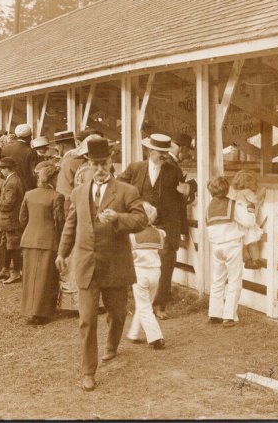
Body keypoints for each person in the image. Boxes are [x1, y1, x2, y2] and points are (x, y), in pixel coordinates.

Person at [55, 137, 147, 391]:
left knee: (117, 314)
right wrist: (62, 252)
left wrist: (118, 217)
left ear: (111, 163)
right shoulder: (78, 192)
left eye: (103, 163)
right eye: (95, 164)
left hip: (115, 264)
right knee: (87, 319)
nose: (99, 169)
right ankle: (88, 371)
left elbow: (141, 220)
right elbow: (71, 225)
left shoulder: (126, 191)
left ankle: (112, 345)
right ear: (88, 163)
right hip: (86, 264)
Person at [118, 133, 190, 320]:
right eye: (160, 153)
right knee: (138, 263)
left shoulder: (173, 171)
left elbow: (183, 198)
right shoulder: (135, 169)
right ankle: (140, 304)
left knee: (165, 264)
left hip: (167, 223)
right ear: (150, 151)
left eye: (166, 152)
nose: (164, 156)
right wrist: (136, 203)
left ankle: (159, 305)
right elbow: (119, 187)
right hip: (141, 221)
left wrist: (186, 192)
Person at [205, 176, 256, 327]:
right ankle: (229, 316)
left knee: (218, 280)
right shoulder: (232, 205)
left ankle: (214, 313)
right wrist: (251, 210)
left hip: (216, 246)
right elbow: (248, 222)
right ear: (227, 190)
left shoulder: (210, 207)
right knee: (234, 279)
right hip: (232, 245)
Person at [19, 162, 64, 324]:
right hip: (48, 240)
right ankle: (41, 312)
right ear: (51, 178)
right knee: (45, 277)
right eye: (57, 177)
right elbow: (59, 222)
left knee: (30, 276)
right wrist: (62, 240)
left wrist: (30, 230)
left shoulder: (29, 194)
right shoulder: (57, 196)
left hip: (29, 239)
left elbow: (22, 218)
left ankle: (29, 310)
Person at [126, 202, 167, 349]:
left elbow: (129, 256)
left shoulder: (131, 236)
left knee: (144, 307)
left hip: (139, 273)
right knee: (145, 304)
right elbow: (161, 252)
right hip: (155, 273)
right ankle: (134, 333)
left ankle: (156, 337)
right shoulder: (160, 234)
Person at [0, 157, 26, 284]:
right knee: (7, 245)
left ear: (8, 169)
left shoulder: (12, 182)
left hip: (11, 219)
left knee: (13, 246)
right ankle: (6, 269)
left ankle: (16, 273)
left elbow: (8, 203)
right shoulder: (12, 180)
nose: (1, 170)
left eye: (2, 168)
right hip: (9, 219)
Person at [230, 170, 266, 270]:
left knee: (243, 244)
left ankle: (247, 260)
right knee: (252, 242)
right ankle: (255, 260)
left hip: (239, 222)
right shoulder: (247, 192)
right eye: (255, 183)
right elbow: (255, 200)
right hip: (247, 221)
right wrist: (263, 193)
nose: (257, 185)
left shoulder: (237, 193)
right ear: (247, 184)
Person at [2, 124, 38, 192]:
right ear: (29, 137)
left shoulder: (5, 149)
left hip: (8, 186)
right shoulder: (31, 152)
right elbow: (33, 174)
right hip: (25, 189)